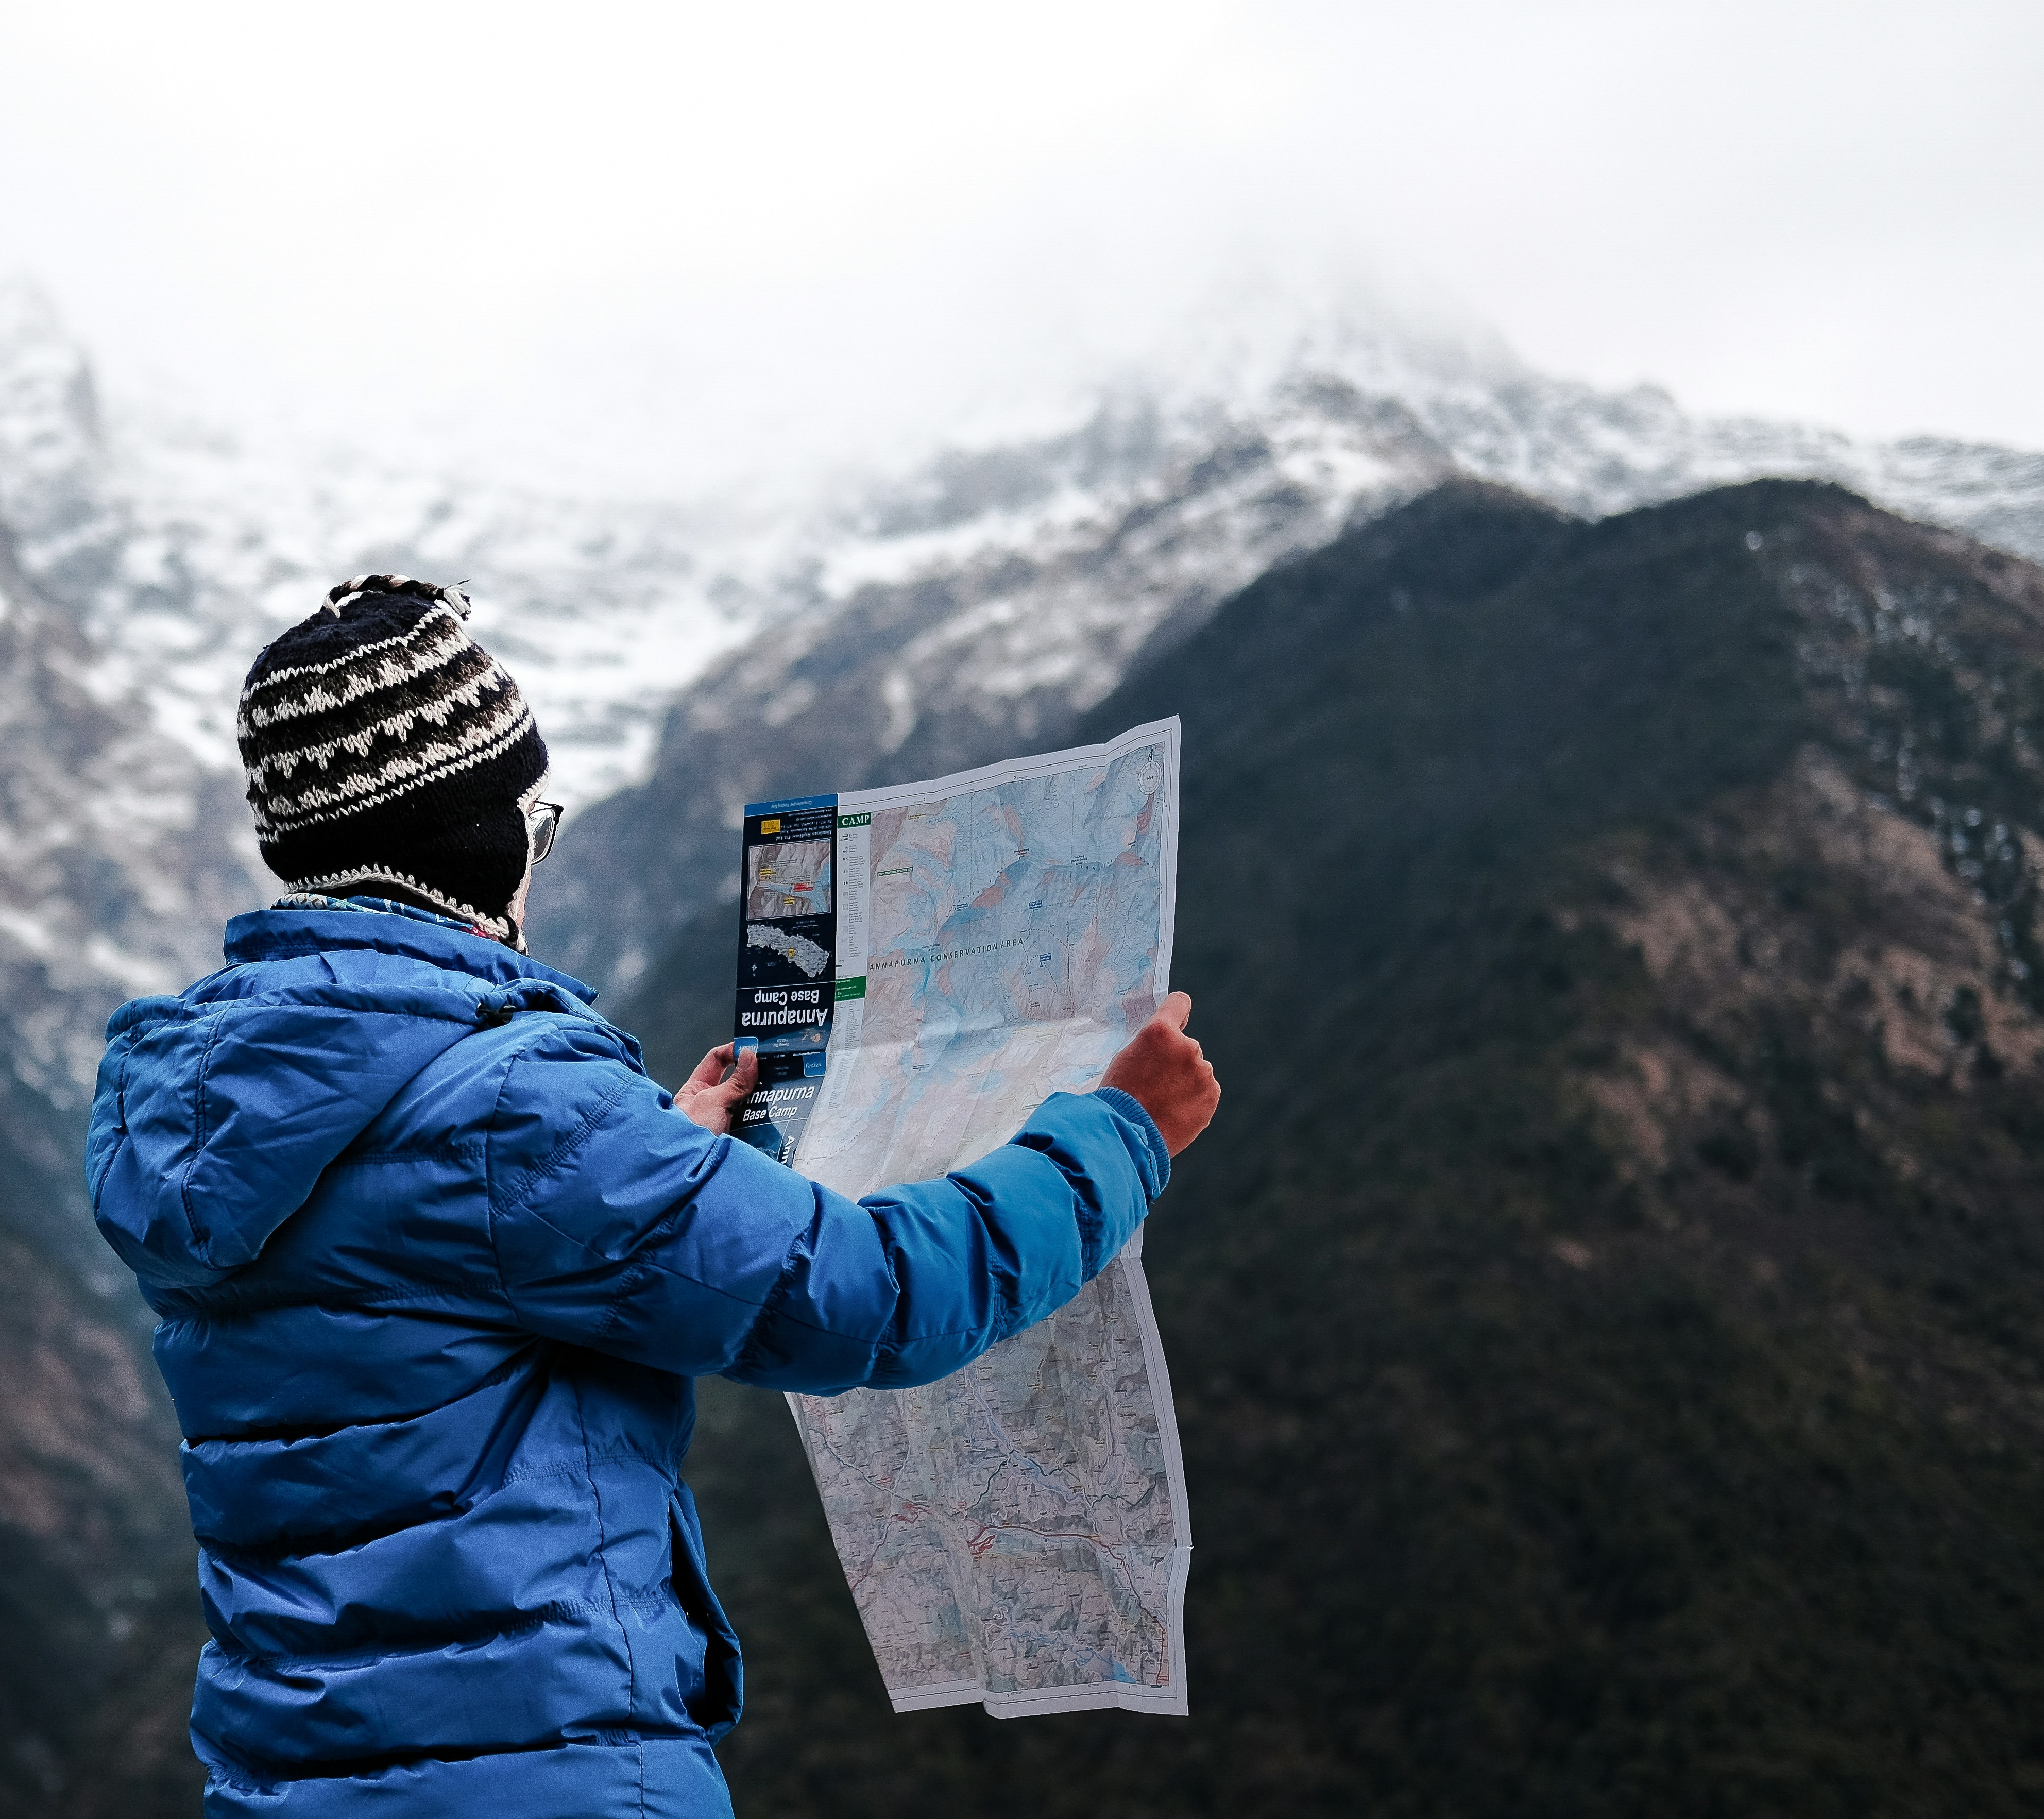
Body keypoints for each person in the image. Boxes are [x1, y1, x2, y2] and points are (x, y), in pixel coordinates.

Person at [87, 574, 1219, 1817]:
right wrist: (1121, 1131)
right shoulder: (515, 1113)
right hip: (546, 1776)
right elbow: (871, 1300)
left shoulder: (208, 1101)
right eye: (538, 817)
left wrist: (648, 1158)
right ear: (481, 833)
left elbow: (416, 1273)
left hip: (283, 1782)